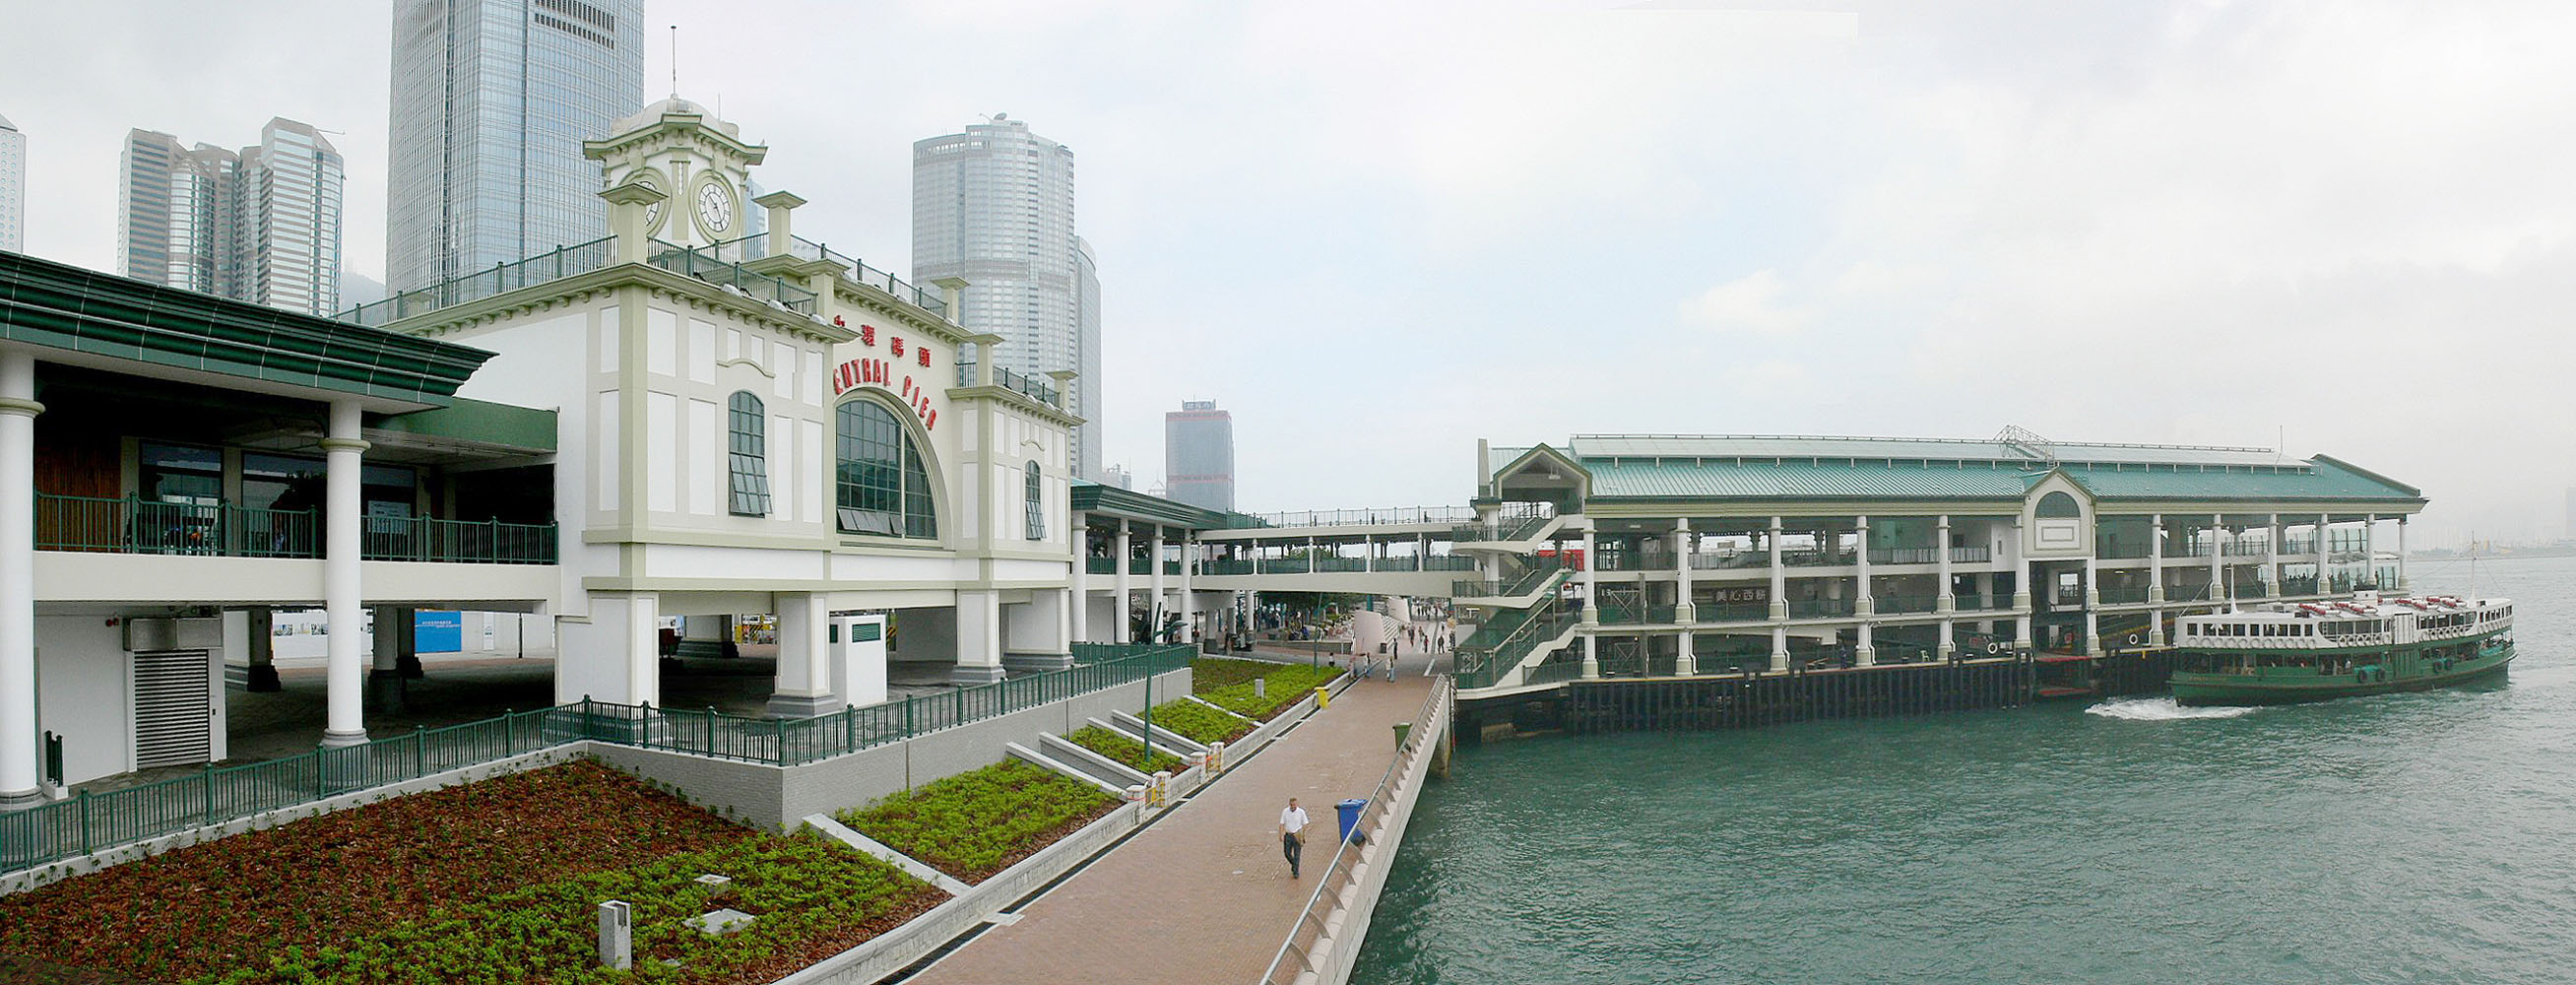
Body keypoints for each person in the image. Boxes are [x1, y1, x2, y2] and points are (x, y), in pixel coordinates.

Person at [1279, 797, 1311, 878]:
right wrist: (1281, 835)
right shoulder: (1285, 811)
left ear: (1297, 804)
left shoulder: (1301, 812)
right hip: (1288, 835)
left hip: (1297, 835)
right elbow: (1282, 824)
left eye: (1294, 805)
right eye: (1291, 805)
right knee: (1287, 853)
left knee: (1297, 854)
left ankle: (1296, 872)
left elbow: (1305, 823)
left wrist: (1301, 832)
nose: (1293, 806)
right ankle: (1294, 864)